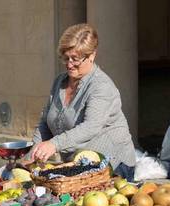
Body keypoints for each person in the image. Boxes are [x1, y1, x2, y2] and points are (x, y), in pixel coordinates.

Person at [30, 23, 135, 179]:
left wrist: (54, 144)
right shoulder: (59, 81)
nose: (69, 64)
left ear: (91, 56)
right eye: (66, 58)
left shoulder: (102, 86)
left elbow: (90, 127)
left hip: (113, 166)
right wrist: (34, 151)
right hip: (77, 166)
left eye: (75, 59)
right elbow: (45, 122)